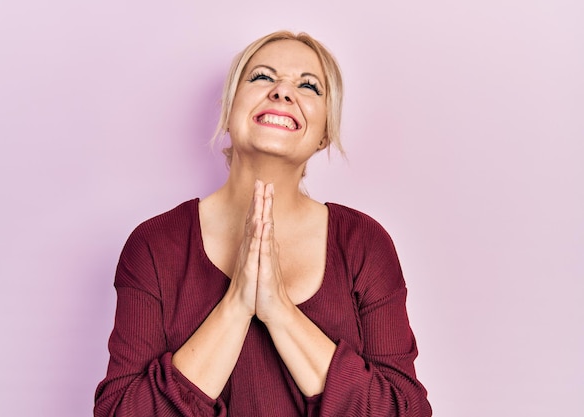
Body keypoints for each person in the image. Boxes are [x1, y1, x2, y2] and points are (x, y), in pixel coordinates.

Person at [94, 30, 432, 417]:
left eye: (308, 86)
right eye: (261, 77)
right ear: (229, 108)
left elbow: (406, 412)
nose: (282, 92)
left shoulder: (364, 243)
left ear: (324, 132)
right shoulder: (154, 245)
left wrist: (280, 311)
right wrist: (237, 305)